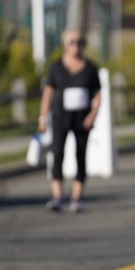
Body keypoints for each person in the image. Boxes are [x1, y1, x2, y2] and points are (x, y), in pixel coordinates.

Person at [38, 30, 102, 213]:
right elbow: (48, 93)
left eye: (80, 42)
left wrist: (92, 115)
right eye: (71, 42)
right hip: (60, 118)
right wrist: (43, 117)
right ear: (64, 45)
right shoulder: (56, 68)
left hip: (82, 120)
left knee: (80, 155)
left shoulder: (91, 68)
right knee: (57, 153)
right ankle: (57, 196)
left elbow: (97, 95)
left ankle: (77, 198)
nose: (76, 45)